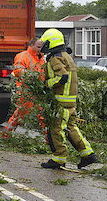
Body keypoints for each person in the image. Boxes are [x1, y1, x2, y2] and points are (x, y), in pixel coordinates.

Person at [39, 28, 98, 169]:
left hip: (60, 102)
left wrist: (47, 84)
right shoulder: (66, 56)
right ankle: (88, 154)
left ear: (51, 42)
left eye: (45, 42)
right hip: (70, 102)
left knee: (56, 129)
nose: (43, 46)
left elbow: (62, 77)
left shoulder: (56, 58)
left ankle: (58, 158)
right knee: (71, 128)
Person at [2, 38, 46, 138]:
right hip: (25, 91)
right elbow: (17, 71)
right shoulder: (22, 56)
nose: (40, 49)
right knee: (19, 115)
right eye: (38, 47)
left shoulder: (40, 59)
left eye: (41, 47)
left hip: (37, 91)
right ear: (32, 45)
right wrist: (33, 76)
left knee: (43, 116)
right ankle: (6, 136)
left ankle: (50, 141)